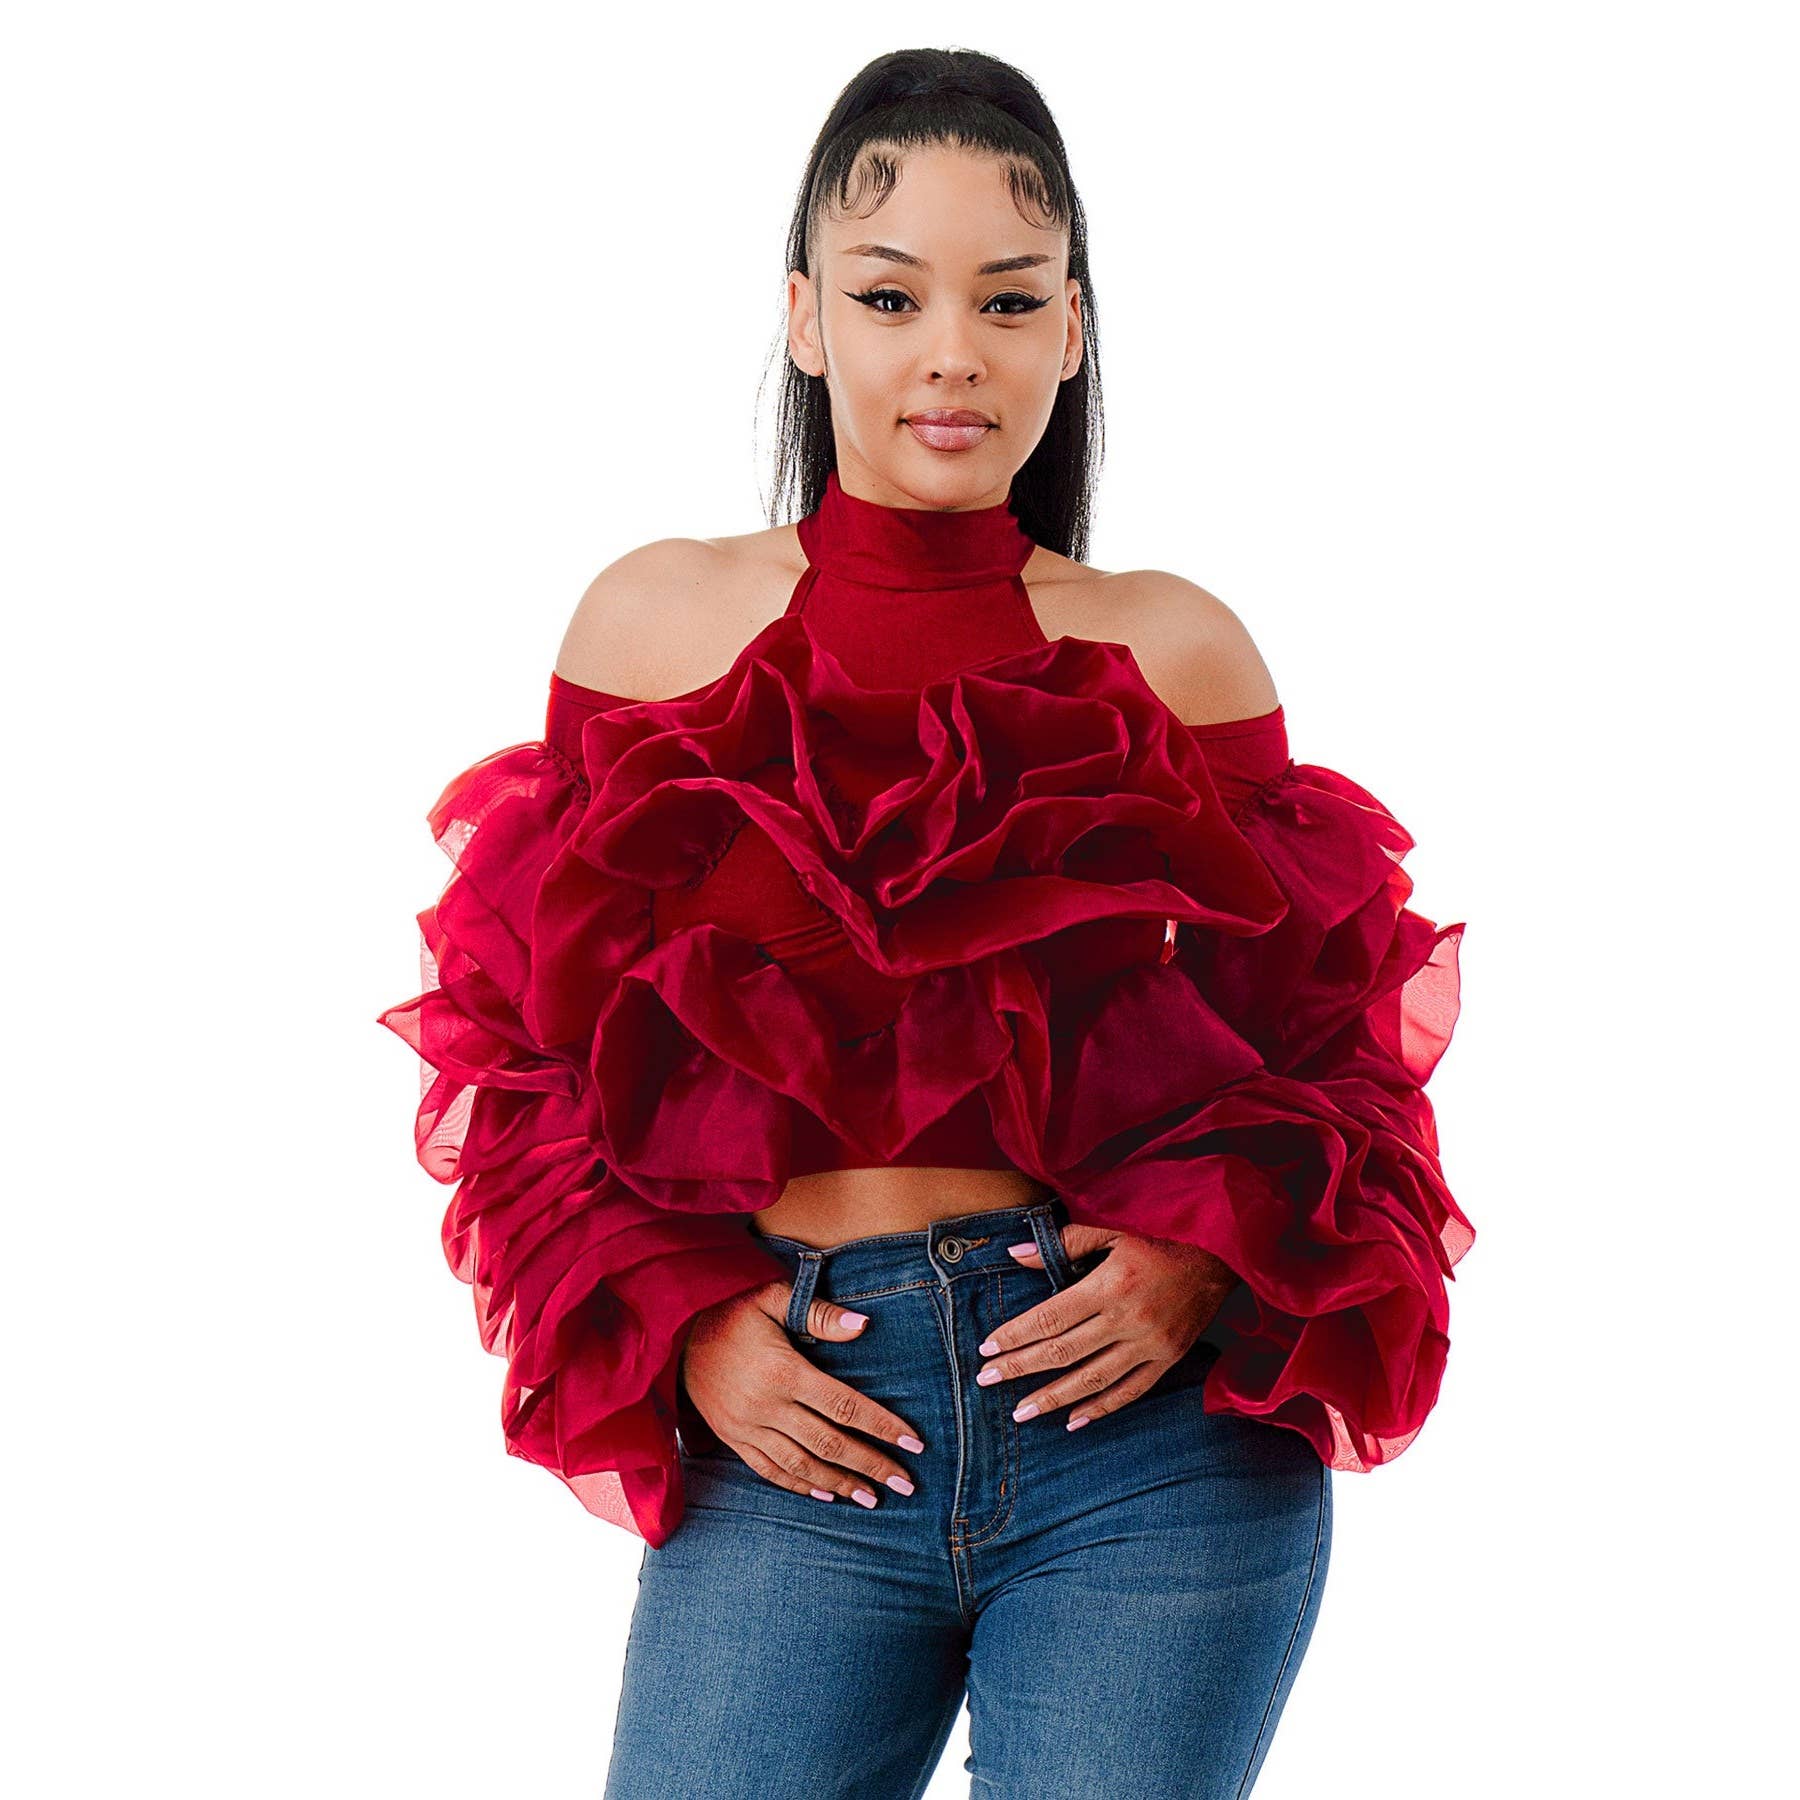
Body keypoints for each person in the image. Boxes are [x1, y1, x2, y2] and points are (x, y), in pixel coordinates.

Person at [376, 48, 1473, 1800]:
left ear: (1073, 331)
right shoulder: (657, 626)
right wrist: (686, 1319)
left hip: (1148, 1450)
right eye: (892, 297)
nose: (951, 351)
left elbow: (1336, 1063)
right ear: (805, 320)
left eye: (1009, 299)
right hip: (800, 1436)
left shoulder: (1175, 648)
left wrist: (1193, 1261)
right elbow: (526, 1045)